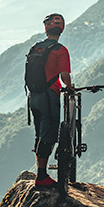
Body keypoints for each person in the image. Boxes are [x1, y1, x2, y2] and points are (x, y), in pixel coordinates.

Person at [29, 13, 72, 188]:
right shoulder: (60, 50)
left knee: (40, 134)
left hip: (34, 97)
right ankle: (41, 176)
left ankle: (41, 172)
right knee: (49, 135)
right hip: (50, 96)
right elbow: (64, 76)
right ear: (61, 29)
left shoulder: (36, 47)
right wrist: (69, 87)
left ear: (46, 29)